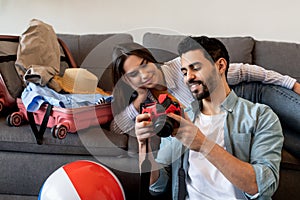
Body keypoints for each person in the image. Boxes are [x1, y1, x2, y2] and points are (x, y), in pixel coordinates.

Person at [135, 36, 284, 199]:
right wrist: (144, 146)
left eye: (196, 68)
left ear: (220, 65)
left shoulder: (260, 116)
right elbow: (158, 186)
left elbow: (262, 188)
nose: (188, 77)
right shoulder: (180, 119)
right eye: (184, 72)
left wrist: (203, 144)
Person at [110, 42, 300, 157]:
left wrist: (291, 83)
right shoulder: (146, 103)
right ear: (127, 79)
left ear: (150, 58)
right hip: (240, 120)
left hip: (253, 93)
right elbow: (116, 128)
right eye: (134, 74)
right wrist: (139, 98)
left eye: (145, 64)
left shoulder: (182, 67)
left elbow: (243, 71)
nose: (144, 75)